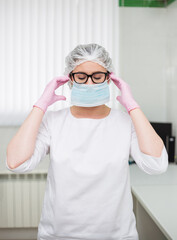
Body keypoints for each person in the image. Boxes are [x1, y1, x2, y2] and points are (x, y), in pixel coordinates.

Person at [6, 43, 168, 240]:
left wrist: (132, 106)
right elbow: (16, 163)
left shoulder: (125, 122)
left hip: (117, 235)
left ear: (109, 78)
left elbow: (156, 165)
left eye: (97, 76)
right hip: (58, 235)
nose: (89, 83)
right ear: (70, 80)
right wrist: (41, 105)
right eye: (81, 77)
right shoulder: (53, 121)